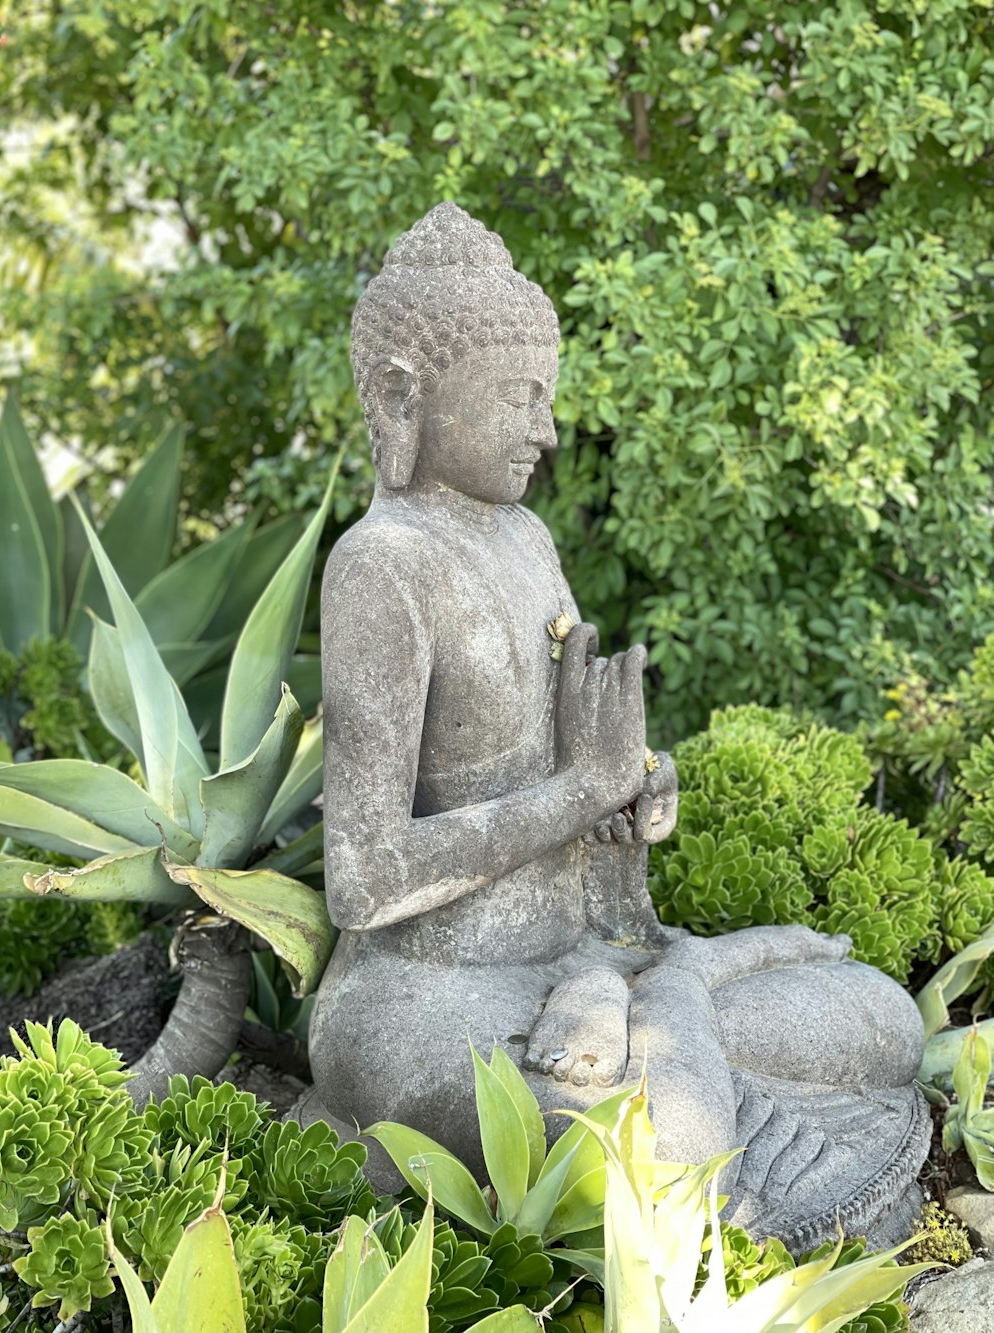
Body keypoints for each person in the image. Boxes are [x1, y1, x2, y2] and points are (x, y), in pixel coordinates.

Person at [303, 203, 928, 1249]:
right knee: (650, 1148)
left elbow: (578, 764)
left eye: (544, 398)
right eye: (518, 397)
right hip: (432, 994)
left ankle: (678, 984)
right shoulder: (380, 567)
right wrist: (573, 795)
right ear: (408, 396)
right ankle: (676, 1015)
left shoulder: (525, 536)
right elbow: (363, 879)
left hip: (589, 959)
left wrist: (630, 787)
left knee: (883, 1017)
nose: (544, 429)